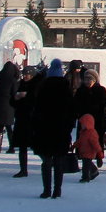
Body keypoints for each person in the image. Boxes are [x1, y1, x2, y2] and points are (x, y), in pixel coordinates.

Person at [31, 59, 76, 198]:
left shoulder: (43, 87)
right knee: (58, 161)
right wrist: (68, 126)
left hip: (45, 129)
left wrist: (36, 126)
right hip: (61, 130)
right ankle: (57, 190)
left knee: (46, 161)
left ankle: (46, 190)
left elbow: (36, 109)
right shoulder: (66, 88)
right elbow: (71, 111)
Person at [10, 65, 41, 178]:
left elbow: (37, 101)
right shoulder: (21, 84)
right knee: (22, 145)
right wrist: (16, 98)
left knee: (36, 145)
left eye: (27, 74)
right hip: (21, 118)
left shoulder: (37, 85)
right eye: (24, 74)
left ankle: (48, 162)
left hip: (32, 119)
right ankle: (23, 169)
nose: (25, 76)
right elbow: (12, 102)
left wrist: (27, 96)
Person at [74, 69, 106, 163]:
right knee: (83, 139)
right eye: (85, 79)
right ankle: (83, 158)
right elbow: (75, 104)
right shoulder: (80, 90)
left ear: (95, 80)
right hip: (84, 120)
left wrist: (101, 108)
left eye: (90, 79)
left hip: (98, 119)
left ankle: (99, 156)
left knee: (97, 140)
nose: (87, 82)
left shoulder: (101, 90)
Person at [0, 62, 18, 154]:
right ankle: (11, 147)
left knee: (0, 128)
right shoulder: (13, 80)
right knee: (9, 128)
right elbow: (14, 93)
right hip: (9, 106)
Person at [74, 113, 104, 183]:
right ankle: (93, 171)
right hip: (83, 151)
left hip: (89, 152)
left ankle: (85, 177)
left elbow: (95, 144)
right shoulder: (82, 132)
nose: (82, 126)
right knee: (87, 163)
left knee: (86, 166)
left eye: (84, 124)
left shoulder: (92, 133)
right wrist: (74, 145)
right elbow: (80, 140)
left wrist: (99, 152)